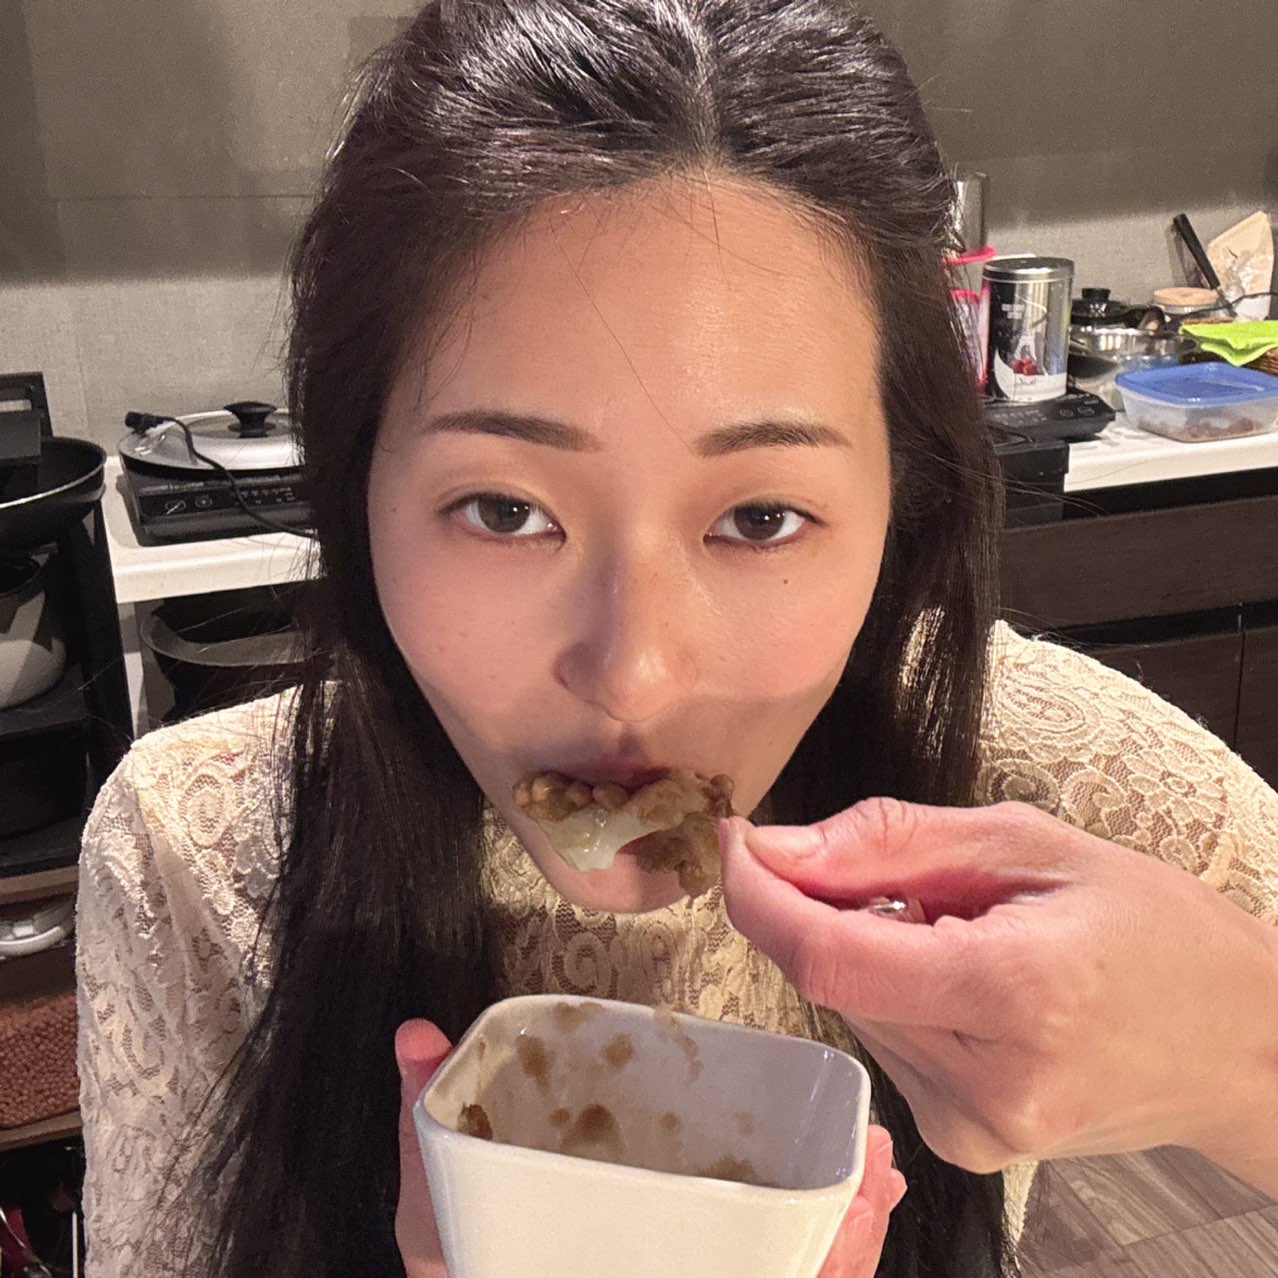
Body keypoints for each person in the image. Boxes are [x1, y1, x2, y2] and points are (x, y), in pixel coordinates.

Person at [74, 1, 1278, 1275]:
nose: (634, 674)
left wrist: (1242, 1059)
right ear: (357, 489)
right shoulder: (195, 849)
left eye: (759, 518)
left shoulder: (1045, 787)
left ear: (900, 508)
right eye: (505, 510)